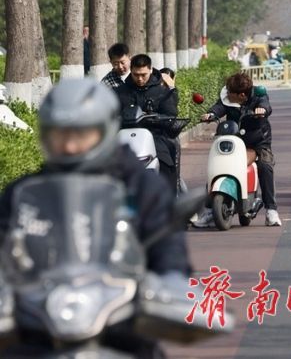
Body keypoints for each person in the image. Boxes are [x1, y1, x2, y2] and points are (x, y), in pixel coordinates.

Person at [0, 77, 190, 359]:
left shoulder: (140, 186)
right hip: (38, 325)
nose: (71, 146)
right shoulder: (23, 193)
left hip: (120, 324)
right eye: (60, 135)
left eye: (81, 134)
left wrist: (170, 282)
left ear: (106, 130)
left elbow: (167, 248)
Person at [200, 71, 281, 226]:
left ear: (242, 95)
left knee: (265, 166)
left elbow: (266, 105)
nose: (228, 95)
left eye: (231, 93)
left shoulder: (258, 94)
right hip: (234, 139)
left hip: (258, 141)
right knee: (216, 165)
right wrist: (210, 114)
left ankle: (271, 210)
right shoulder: (228, 96)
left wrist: (261, 110)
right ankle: (210, 210)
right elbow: (219, 106)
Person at [117, 54, 180, 192]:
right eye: (136, 74)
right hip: (124, 139)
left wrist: (156, 118)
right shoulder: (121, 91)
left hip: (155, 136)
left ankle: (169, 203)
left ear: (151, 70)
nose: (140, 78)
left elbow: (171, 114)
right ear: (131, 71)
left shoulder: (162, 91)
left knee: (166, 164)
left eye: (143, 75)